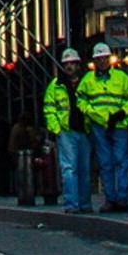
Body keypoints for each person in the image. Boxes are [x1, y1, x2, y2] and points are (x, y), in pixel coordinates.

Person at [77, 40, 128, 212]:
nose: (102, 61)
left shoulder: (122, 78)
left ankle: (122, 199)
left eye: (104, 58)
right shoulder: (87, 80)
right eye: (99, 59)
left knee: (121, 161)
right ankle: (110, 199)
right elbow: (81, 101)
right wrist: (94, 114)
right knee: (106, 163)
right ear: (95, 61)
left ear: (109, 59)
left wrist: (122, 113)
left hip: (119, 125)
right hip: (99, 126)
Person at [42, 47, 92, 212]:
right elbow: (49, 109)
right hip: (66, 132)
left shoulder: (87, 82)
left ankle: (84, 204)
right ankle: (72, 203)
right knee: (69, 169)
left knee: (84, 169)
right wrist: (57, 130)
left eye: (72, 63)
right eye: (66, 64)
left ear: (78, 64)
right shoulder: (55, 86)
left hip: (84, 131)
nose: (69, 66)